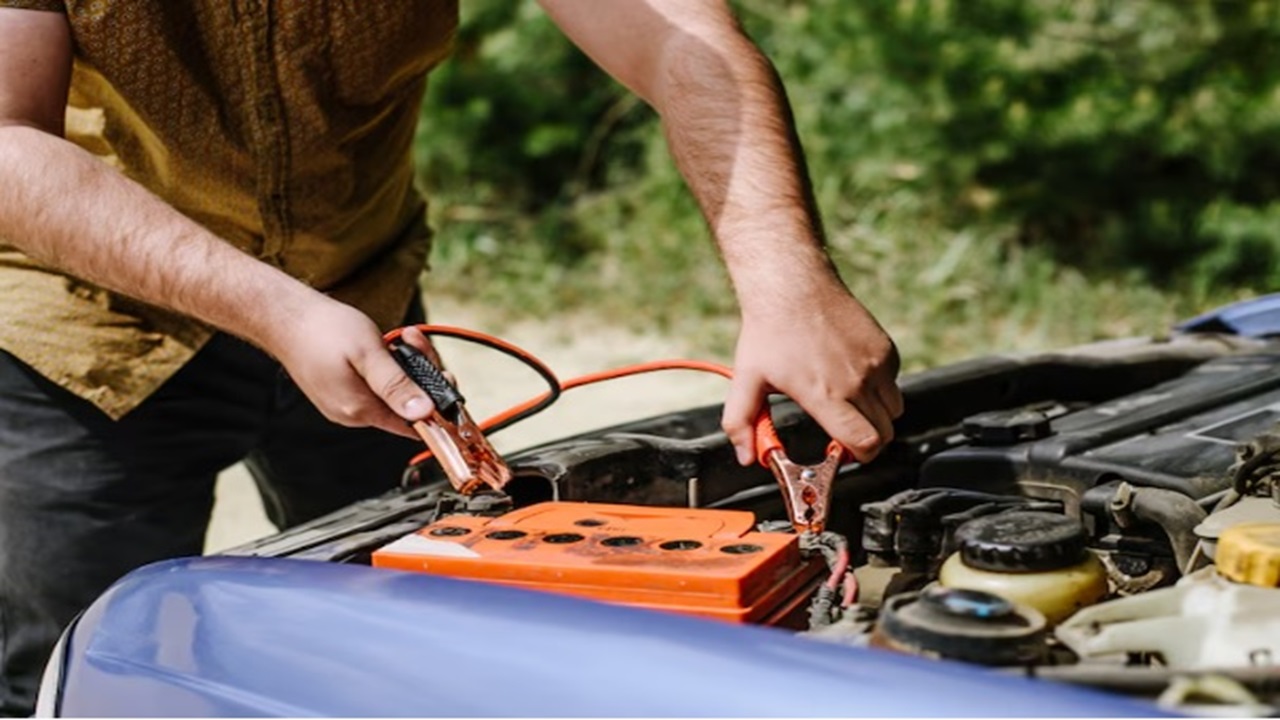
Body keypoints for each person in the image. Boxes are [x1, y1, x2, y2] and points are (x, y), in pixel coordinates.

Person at [0, 0, 903, 713]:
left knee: (408, 650)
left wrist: (788, 281)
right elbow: (8, 141)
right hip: (88, 333)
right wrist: (276, 310)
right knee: (75, 668)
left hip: (365, 305)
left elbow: (682, 35)